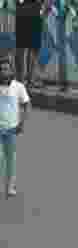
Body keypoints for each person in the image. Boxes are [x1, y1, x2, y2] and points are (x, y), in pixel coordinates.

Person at [0, 59, 28, 198]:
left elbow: (26, 104)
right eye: (2, 69)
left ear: (11, 71)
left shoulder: (18, 87)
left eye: (6, 69)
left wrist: (22, 123)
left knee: (11, 159)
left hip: (11, 129)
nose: (4, 71)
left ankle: (10, 187)